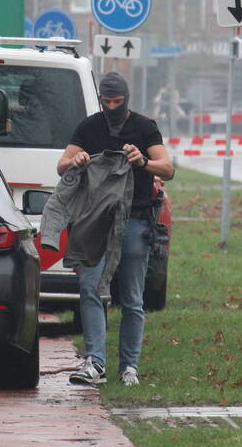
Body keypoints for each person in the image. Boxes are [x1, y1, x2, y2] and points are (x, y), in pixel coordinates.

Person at [56, 72, 174, 387]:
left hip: (135, 220)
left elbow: (168, 168)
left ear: (126, 99)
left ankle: (129, 367)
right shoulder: (90, 127)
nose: (112, 107)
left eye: (117, 101)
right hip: (95, 222)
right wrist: (75, 159)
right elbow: (61, 164)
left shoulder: (145, 127)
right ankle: (96, 363)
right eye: (107, 102)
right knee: (91, 288)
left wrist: (142, 162)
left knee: (133, 297)